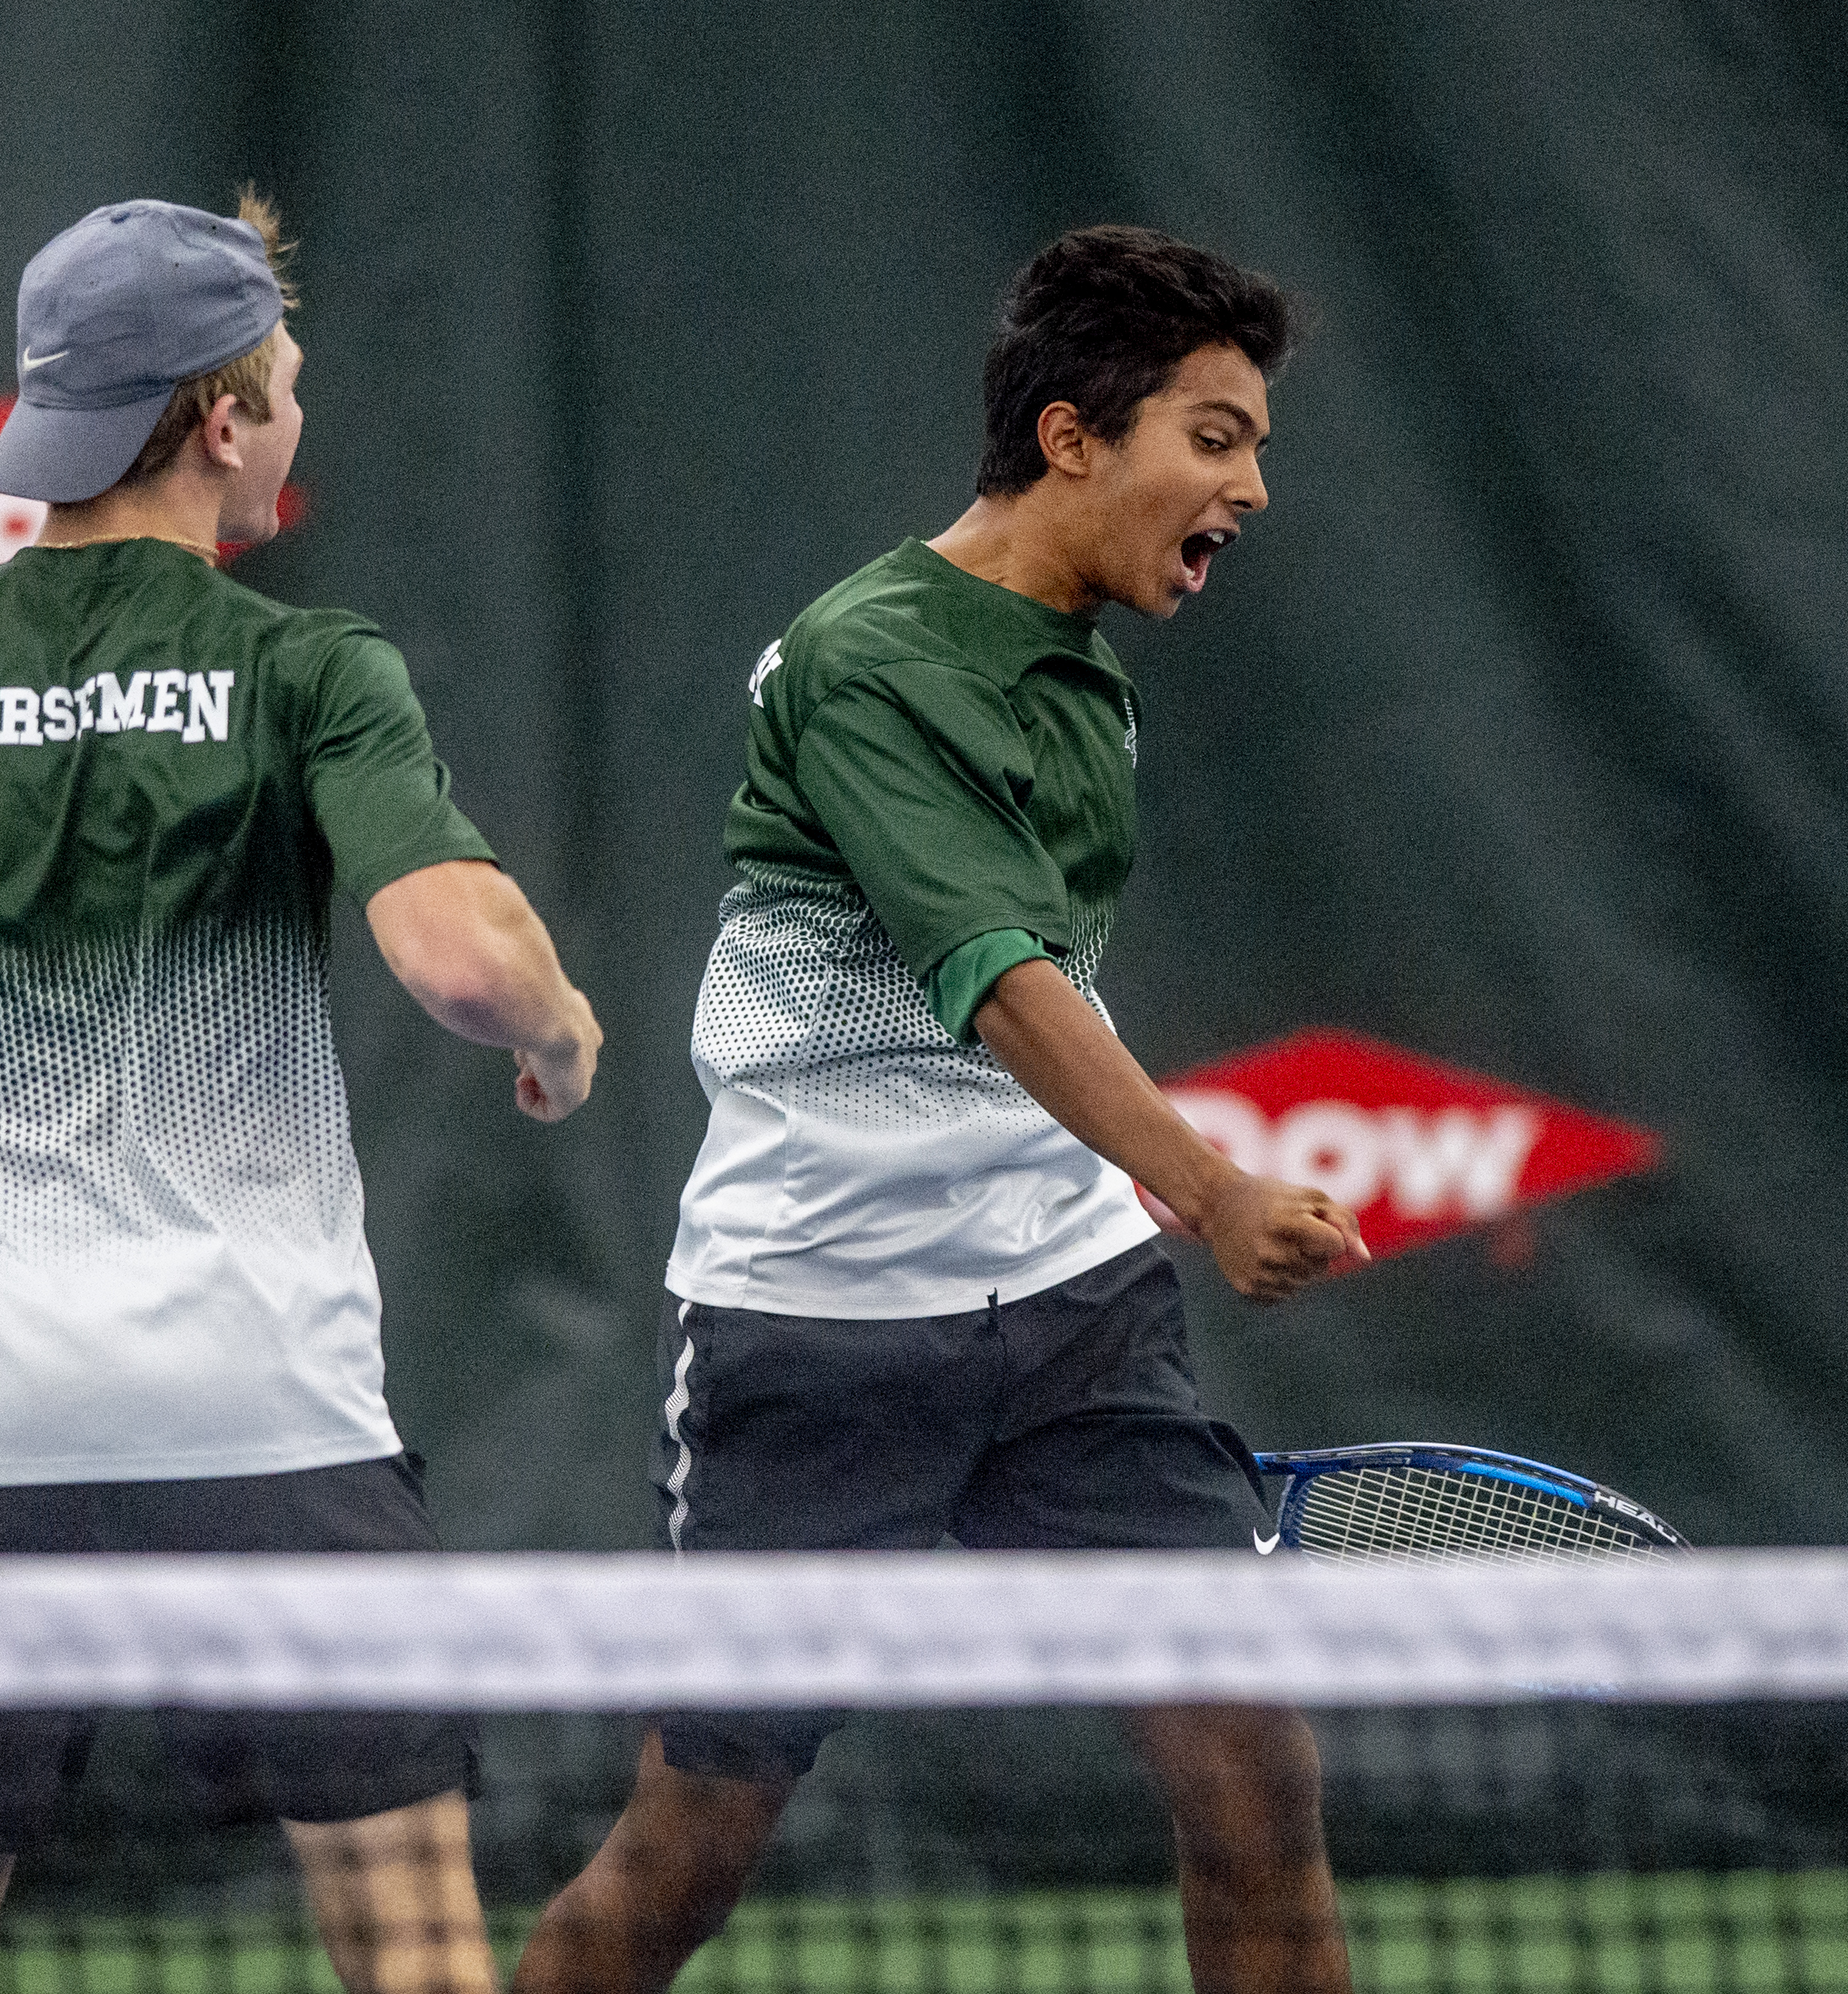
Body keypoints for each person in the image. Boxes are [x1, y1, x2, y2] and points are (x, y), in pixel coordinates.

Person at [0, 191, 600, 1994]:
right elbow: (469, 965)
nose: (299, 422)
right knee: (416, 1958)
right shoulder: (308, 667)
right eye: (290, 388)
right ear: (220, 418)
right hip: (270, 1423)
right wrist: (563, 1035)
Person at [508, 226, 1365, 1994]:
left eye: (1256, 444)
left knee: (1252, 1778)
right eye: (1214, 437)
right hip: (813, 1333)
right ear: (1071, 440)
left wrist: (1134, 1209)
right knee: (692, 1843)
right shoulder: (871, 658)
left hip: (1070, 1317)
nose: (1252, 487)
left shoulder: (1079, 668)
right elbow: (996, 976)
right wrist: (1205, 1187)